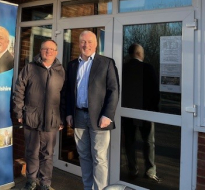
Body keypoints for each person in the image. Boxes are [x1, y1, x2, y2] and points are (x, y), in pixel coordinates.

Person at [65, 30, 119, 190]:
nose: (86, 45)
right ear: (79, 43)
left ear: (96, 44)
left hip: (99, 118)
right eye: (83, 41)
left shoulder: (107, 63)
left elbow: (114, 90)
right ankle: (88, 187)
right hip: (79, 115)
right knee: (84, 155)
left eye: (89, 42)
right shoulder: (72, 64)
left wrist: (108, 115)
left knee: (99, 157)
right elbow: (69, 91)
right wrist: (69, 112)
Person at [12, 39, 66, 190]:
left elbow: (64, 96)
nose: (48, 51)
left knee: (47, 154)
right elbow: (19, 90)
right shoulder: (30, 68)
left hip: (51, 120)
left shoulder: (61, 71)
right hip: (31, 118)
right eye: (45, 49)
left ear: (56, 52)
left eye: (51, 49)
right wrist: (19, 111)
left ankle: (45, 183)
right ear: (40, 51)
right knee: (32, 152)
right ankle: (31, 180)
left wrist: (61, 118)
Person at [121, 43, 161, 182]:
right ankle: (150, 171)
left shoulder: (123, 68)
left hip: (126, 112)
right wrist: (155, 110)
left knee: (130, 142)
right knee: (149, 141)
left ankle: (133, 169)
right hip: (146, 112)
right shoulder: (148, 68)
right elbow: (155, 91)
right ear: (139, 53)